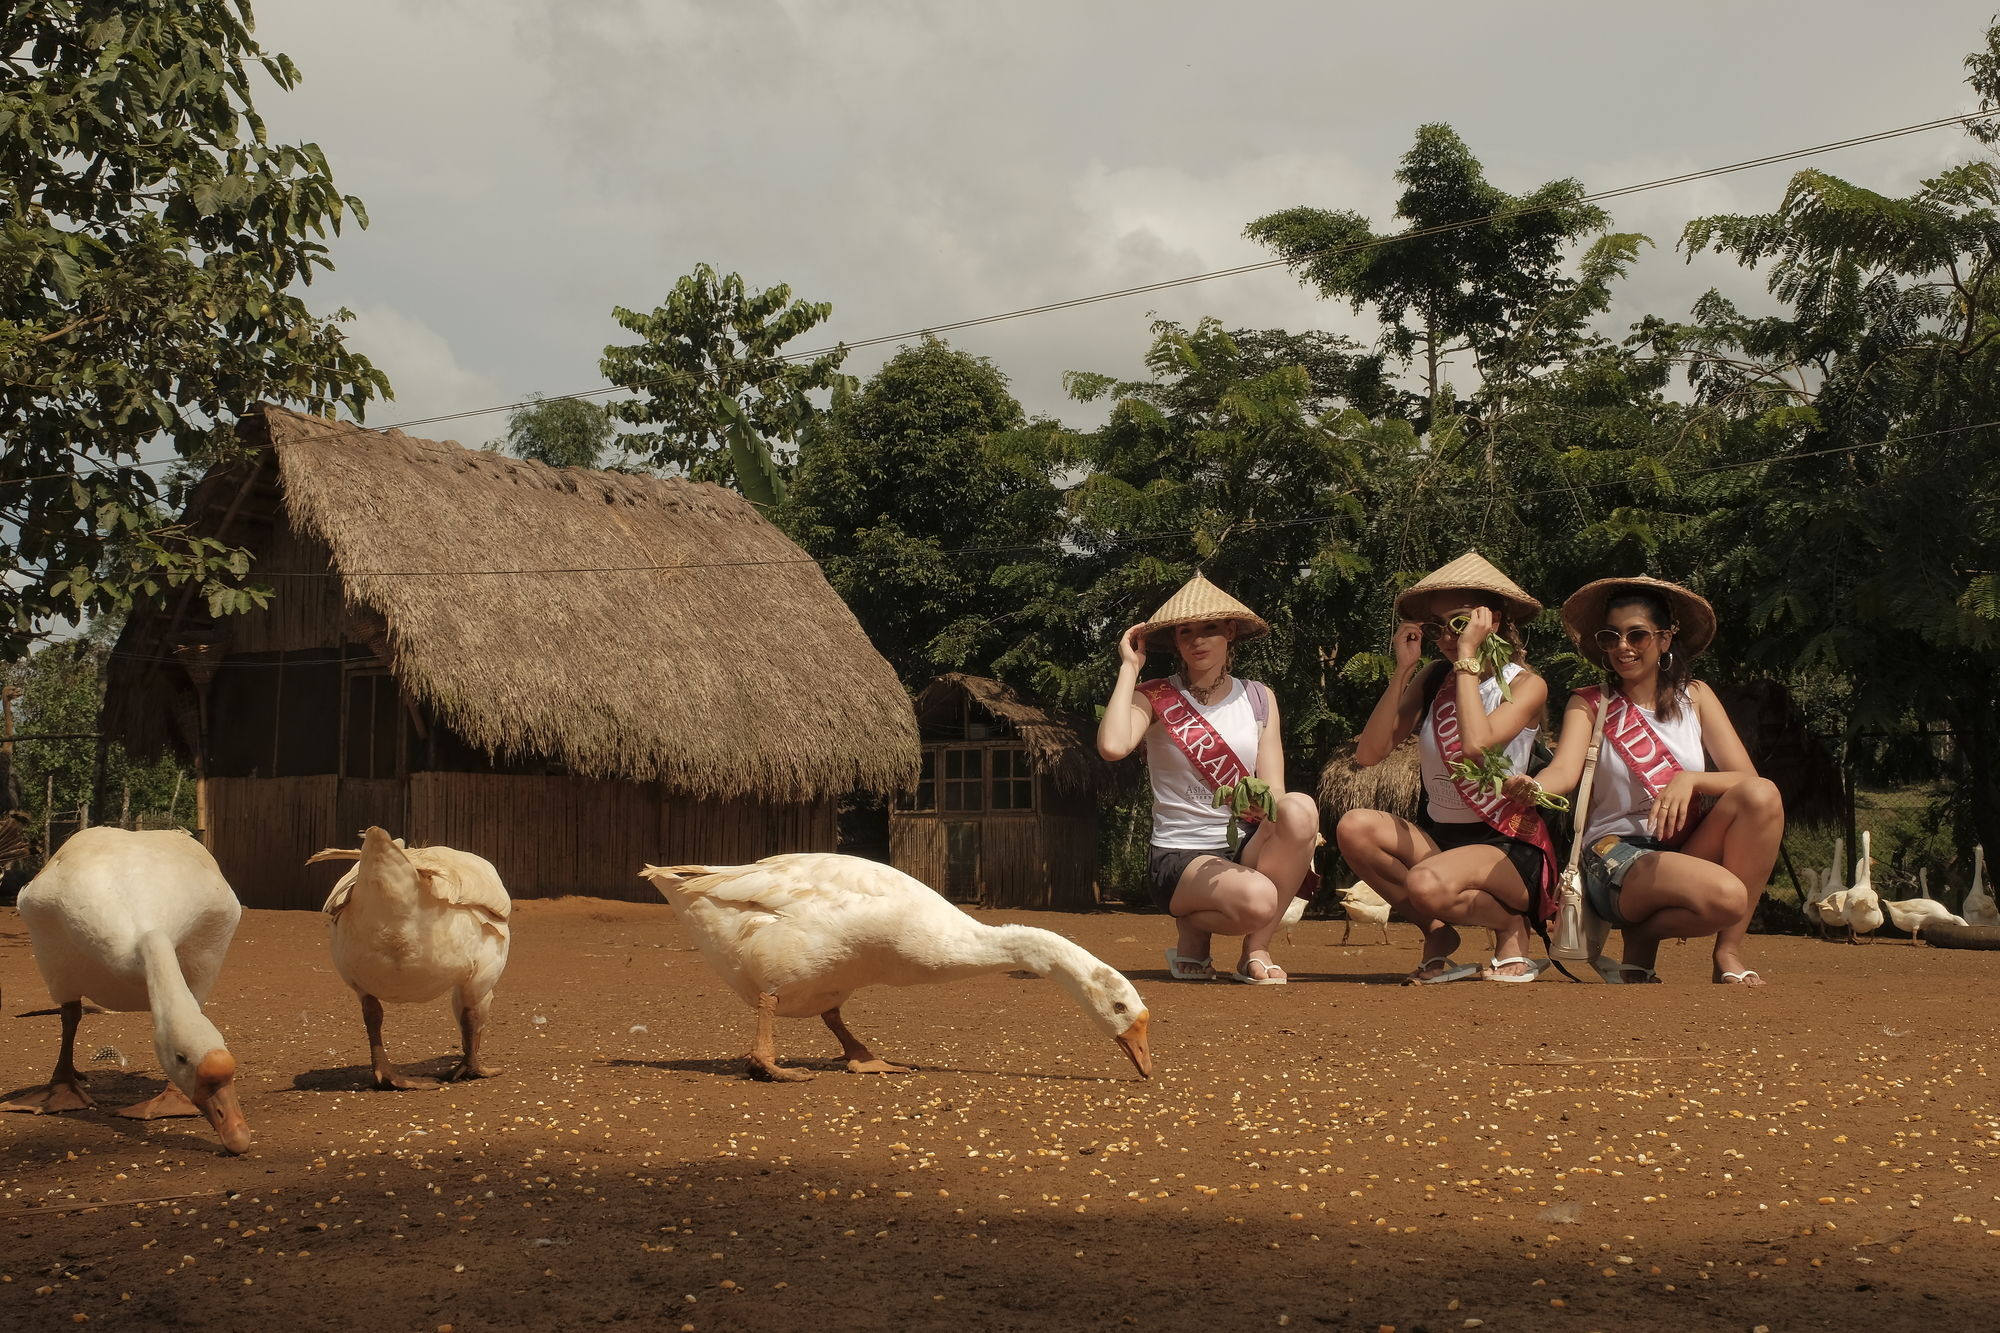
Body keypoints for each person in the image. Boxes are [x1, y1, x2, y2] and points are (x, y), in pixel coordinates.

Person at [1510, 576, 1782, 985]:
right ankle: (1641, 936)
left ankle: (1726, 952)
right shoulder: (1590, 703)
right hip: (1612, 854)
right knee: (1727, 897)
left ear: (1666, 639)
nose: (1623, 646)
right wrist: (1533, 788)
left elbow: (1746, 779)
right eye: (1611, 636)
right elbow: (1563, 772)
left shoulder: (1698, 697)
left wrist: (1691, 780)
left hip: (1680, 849)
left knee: (1763, 795)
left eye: (1637, 634)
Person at [1335, 552, 1558, 984]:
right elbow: (1368, 754)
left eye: (1457, 622)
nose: (1444, 636)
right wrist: (1403, 671)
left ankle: (1511, 925)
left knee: (1425, 884)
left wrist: (1467, 658)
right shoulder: (1434, 678)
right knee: (1354, 827)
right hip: (1444, 838)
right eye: (1436, 627)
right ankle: (1436, 932)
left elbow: (1475, 746)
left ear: (1490, 620)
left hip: (1508, 845)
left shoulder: (1525, 685)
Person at [1097, 573, 1319, 984]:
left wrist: (1257, 803)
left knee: (1300, 809)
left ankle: (1256, 950)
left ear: (1229, 632)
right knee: (1258, 900)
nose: (1198, 640)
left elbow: (1275, 790)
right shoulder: (1154, 695)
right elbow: (1113, 746)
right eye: (1186, 632)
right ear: (1177, 641)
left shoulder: (1257, 696)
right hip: (1180, 854)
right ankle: (1192, 926)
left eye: (1210, 629)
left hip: (1244, 844)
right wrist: (1130, 668)